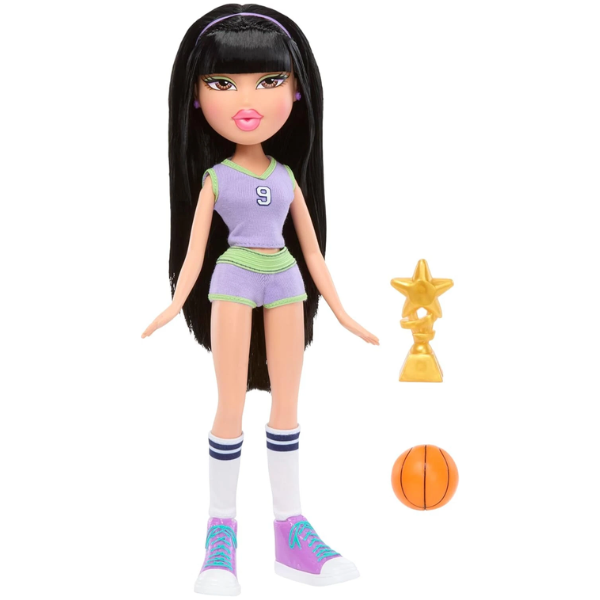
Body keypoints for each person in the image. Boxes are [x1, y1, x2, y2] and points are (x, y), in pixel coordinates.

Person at [142, 5, 379, 595]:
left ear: (297, 91)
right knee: (229, 405)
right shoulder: (215, 178)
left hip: (286, 281)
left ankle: (290, 529)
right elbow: (194, 252)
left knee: (287, 406)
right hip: (233, 280)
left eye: (270, 80)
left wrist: (343, 311)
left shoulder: (289, 177)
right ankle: (220, 534)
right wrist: (175, 302)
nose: (246, 100)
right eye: (222, 83)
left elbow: (313, 252)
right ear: (195, 98)